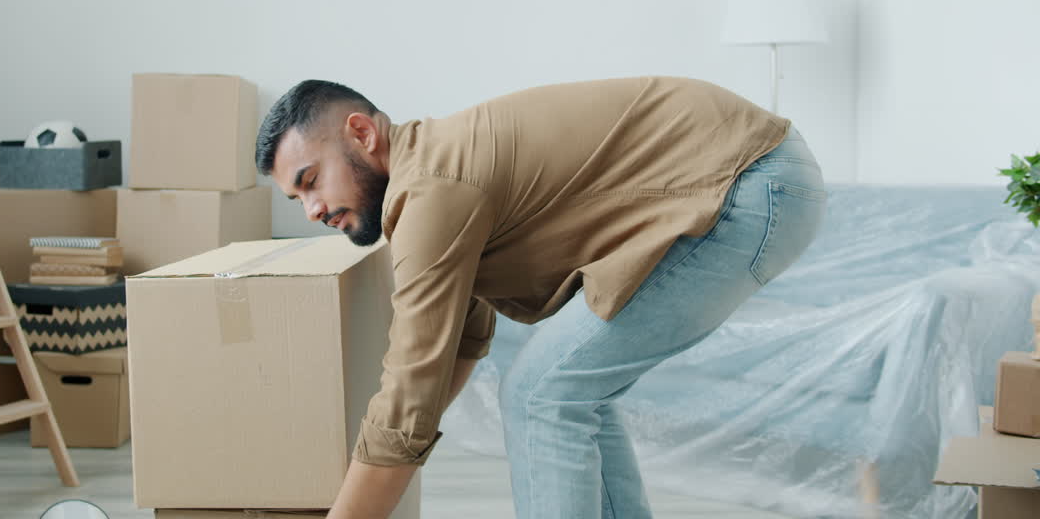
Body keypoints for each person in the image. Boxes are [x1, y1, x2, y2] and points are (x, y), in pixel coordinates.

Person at [255, 76, 826, 519]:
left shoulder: (430, 192)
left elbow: (410, 388)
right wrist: (408, 433)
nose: (312, 211)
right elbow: (458, 347)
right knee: (565, 391)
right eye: (295, 198)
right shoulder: (439, 171)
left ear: (362, 133)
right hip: (762, 177)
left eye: (310, 180)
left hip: (750, 184)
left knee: (541, 393)